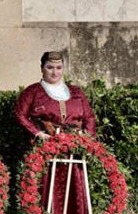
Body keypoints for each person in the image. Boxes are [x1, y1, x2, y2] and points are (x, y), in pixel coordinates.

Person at [15, 51, 97, 214]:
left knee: (74, 188)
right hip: (46, 149)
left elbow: (89, 117)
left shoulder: (76, 92)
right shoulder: (32, 92)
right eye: (50, 67)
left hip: (73, 150)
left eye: (59, 68)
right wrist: (38, 133)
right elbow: (20, 114)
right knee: (49, 187)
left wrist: (86, 140)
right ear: (42, 68)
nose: (55, 72)